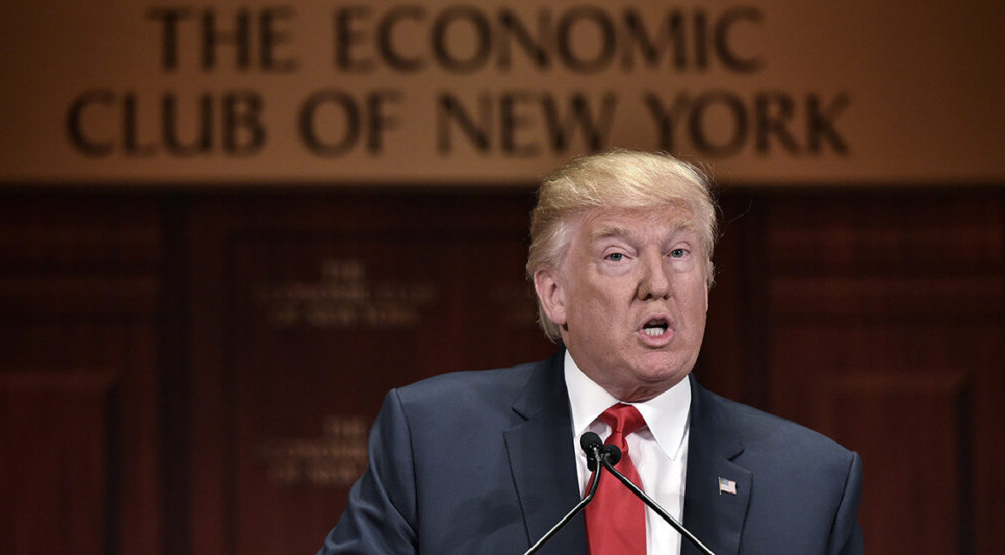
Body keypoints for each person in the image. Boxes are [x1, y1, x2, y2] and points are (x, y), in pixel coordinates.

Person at [321, 149, 863, 554]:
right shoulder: (432, 440)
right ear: (555, 294)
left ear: (708, 279)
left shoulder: (812, 484)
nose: (658, 282)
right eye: (618, 255)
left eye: (679, 252)